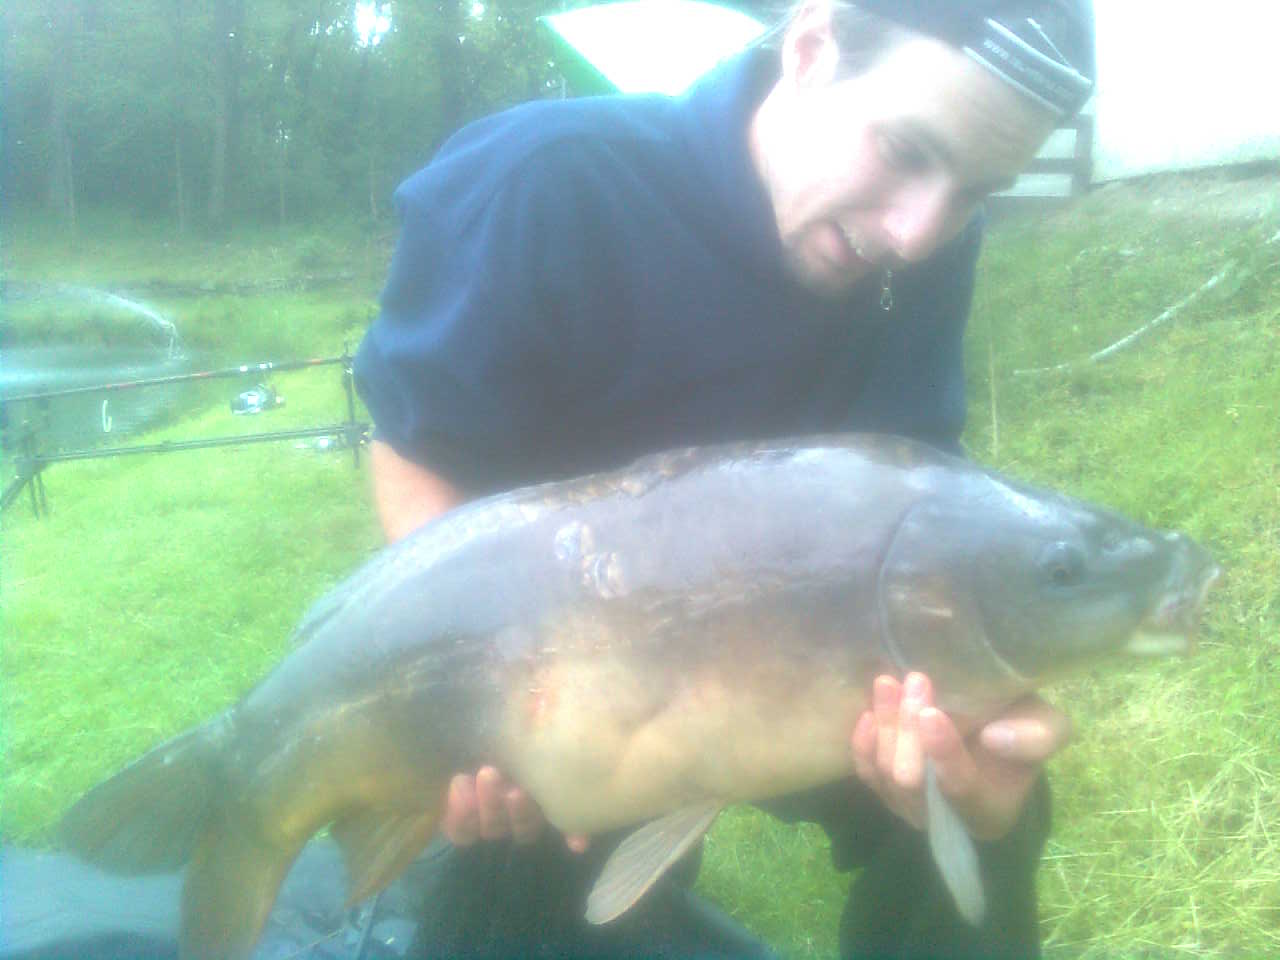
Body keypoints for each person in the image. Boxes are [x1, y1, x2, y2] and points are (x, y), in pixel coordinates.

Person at [352, 1, 1095, 956]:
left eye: (973, 192)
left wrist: (952, 744)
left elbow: (920, 494)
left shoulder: (925, 248)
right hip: (576, 672)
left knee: (984, 787)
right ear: (811, 47)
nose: (918, 234)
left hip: (815, 656)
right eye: (908, 151)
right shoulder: (547, 181)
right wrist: (473, 688)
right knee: (516, 876)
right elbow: (419, 445)